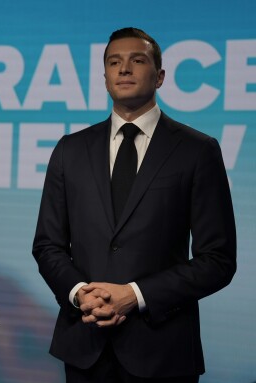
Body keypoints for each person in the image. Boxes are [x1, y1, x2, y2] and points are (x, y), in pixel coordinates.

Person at [32, 27, 236, 382]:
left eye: (136, 60)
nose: (124, 69)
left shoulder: (197, 150)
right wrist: (81, 294)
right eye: (114, 62)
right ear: (105, 77)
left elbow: (217, 260)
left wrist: (135, 295)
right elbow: (48, 245)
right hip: (85, 345)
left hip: (163, 351)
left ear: (159, 77)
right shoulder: (69, 150)